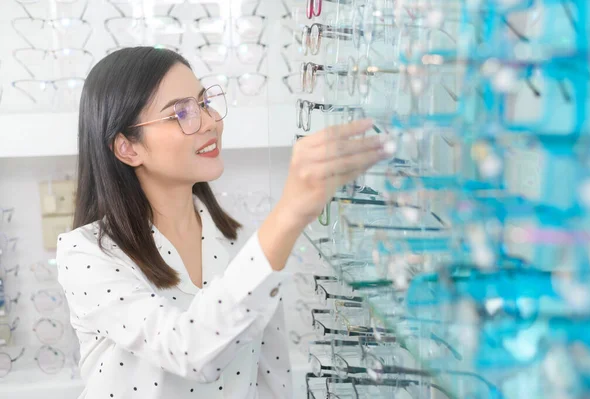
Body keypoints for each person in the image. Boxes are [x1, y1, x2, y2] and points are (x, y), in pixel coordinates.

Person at [56, 47, 392, 399]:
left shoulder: (241, 242)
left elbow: (271, 374)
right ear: (128, 149)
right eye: (180, 113)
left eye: (203, 103)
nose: (209, 121)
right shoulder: (87, 254)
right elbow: (188, 351)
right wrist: (290, 212)